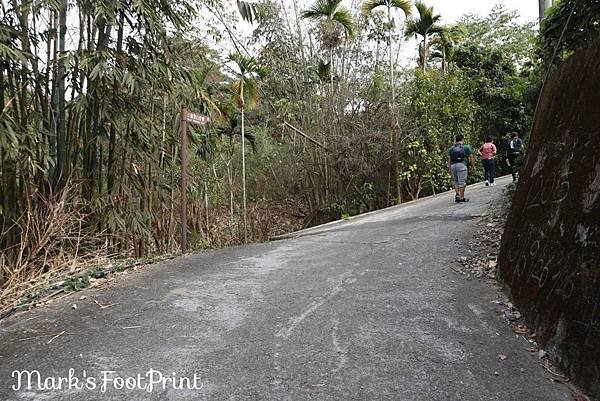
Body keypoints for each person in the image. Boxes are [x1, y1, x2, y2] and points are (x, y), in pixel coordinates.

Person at [448, 134, 475, 203]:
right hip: (462, 165)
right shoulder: (466, 147)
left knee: (456, 181)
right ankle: (462, 198)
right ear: (462, 139)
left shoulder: (451, 149)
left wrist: (449, 169)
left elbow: (449, 160)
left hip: (453, 166)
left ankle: (457, 195)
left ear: (455, 140)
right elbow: (471, 157)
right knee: (462, 182)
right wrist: (473, 166)